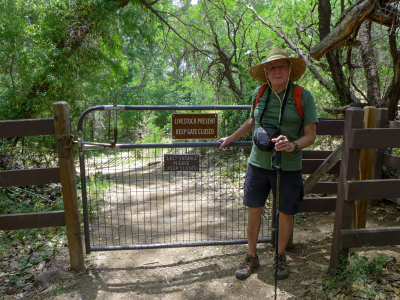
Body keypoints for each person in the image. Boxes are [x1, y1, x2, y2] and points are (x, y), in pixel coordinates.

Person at [218, 46, 318, 280]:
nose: (277, 70)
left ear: (289, 69)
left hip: (288, 166)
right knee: (254, 210)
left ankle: (280, 257)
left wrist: (292, 145)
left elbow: (311, 135)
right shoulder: (259, 92)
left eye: (282, 66)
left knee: (285, 213)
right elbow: (252, 121)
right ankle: (251, 257)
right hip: (258, 163)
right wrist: (231, 138)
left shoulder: (302, 96)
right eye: (272, 67)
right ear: (266, 72)